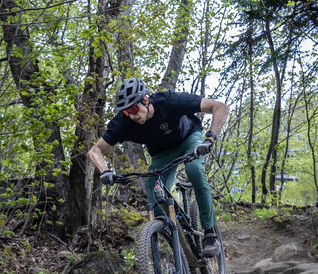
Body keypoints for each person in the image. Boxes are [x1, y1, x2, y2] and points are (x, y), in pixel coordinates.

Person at [87, 77, 230, 256]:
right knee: (153, 195)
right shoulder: (124, 123)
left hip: (188, 138)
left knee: (194, 169)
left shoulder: (168, 100)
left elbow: (220, 107)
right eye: (125, 112)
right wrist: (105, 171)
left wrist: (209, 139)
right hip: (162, 154)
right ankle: (180, 243)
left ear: (145, 100)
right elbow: (95, 151)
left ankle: (210, 234)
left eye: (133, 108)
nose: (131, 115)